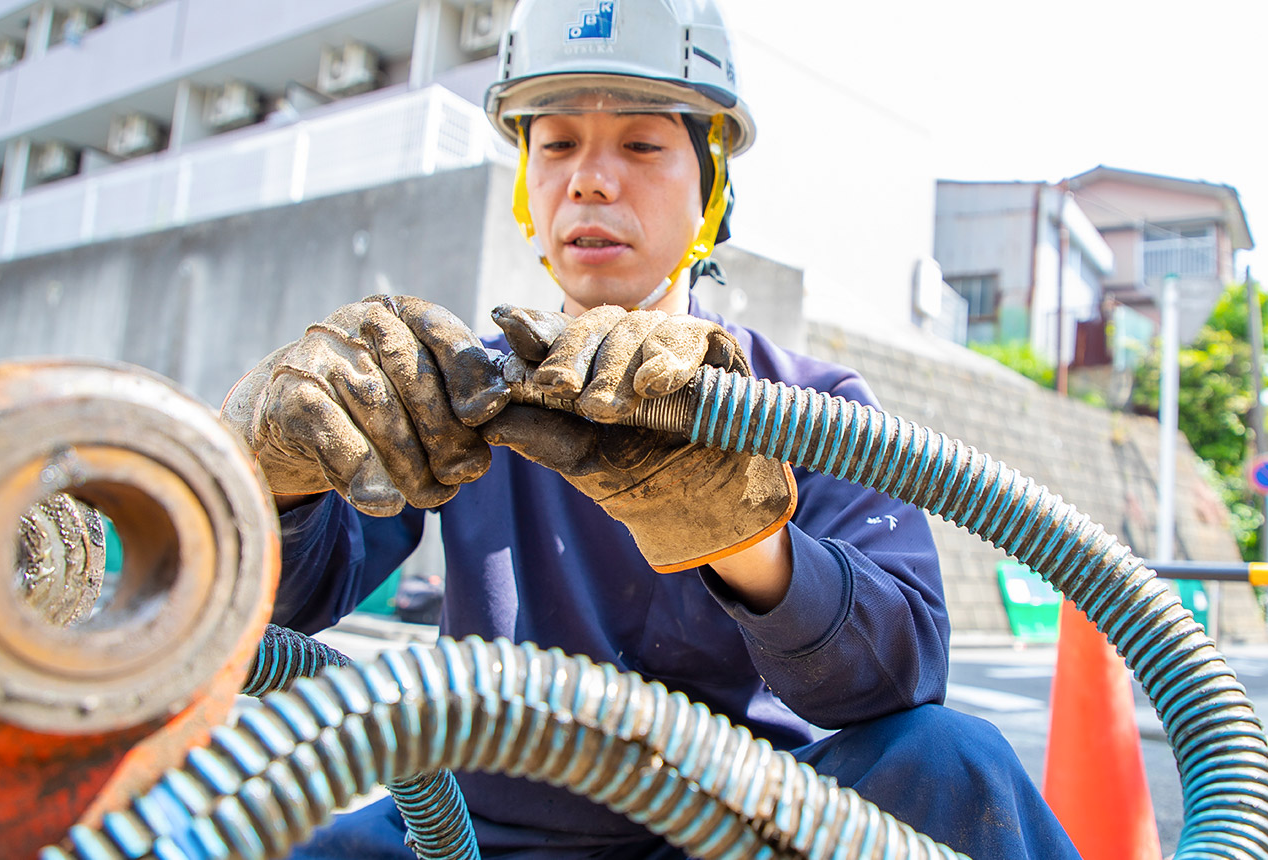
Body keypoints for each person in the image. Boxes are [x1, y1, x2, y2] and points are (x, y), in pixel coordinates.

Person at [222, 1, 1081, 857]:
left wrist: (743, 537)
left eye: (641, 144)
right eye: (555, 144)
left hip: (739, 831)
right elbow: (277, 612)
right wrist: (278, 477)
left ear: (711, 185)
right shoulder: (461, 387)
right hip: (482, 836)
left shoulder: (808, 407)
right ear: (525, 182)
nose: (590, 179)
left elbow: (898, 678)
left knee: (957, 764)